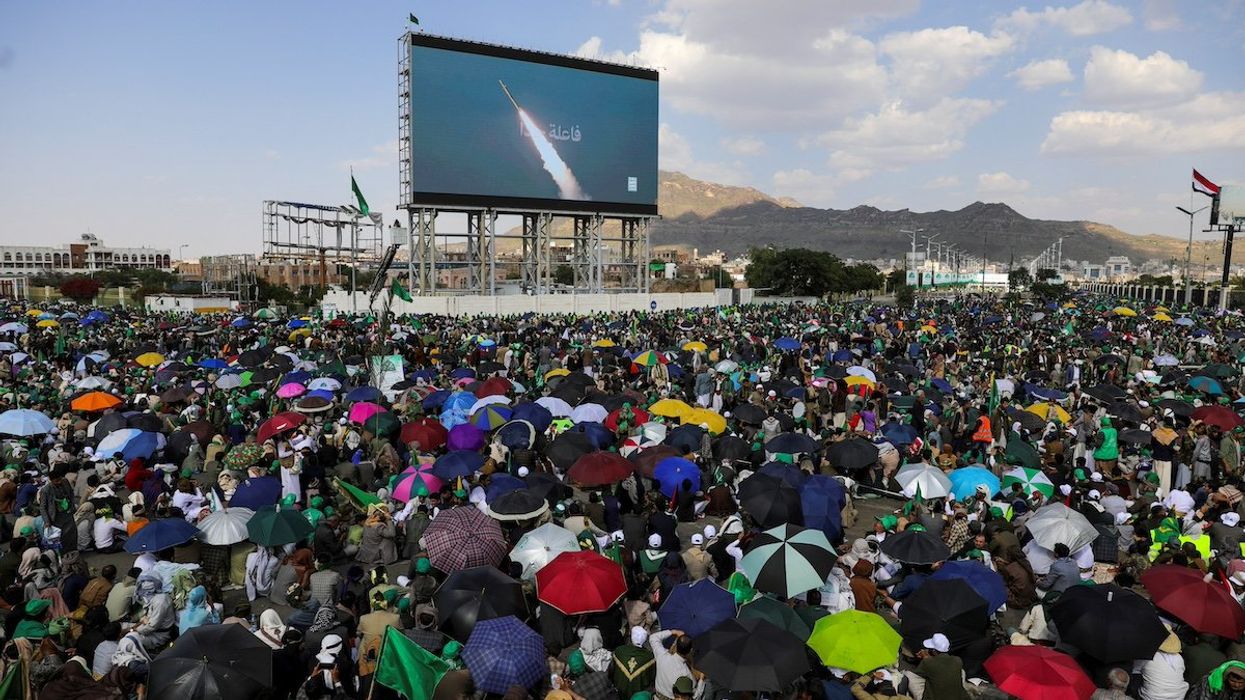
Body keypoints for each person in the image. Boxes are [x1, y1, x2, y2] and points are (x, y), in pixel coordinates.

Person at [912, 634, 968, 700]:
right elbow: (941, 666)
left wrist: (925, 658)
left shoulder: (927, 662)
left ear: (934, 651)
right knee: (962, 671)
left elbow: (916, 673)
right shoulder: (958, 660)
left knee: (908, 674)